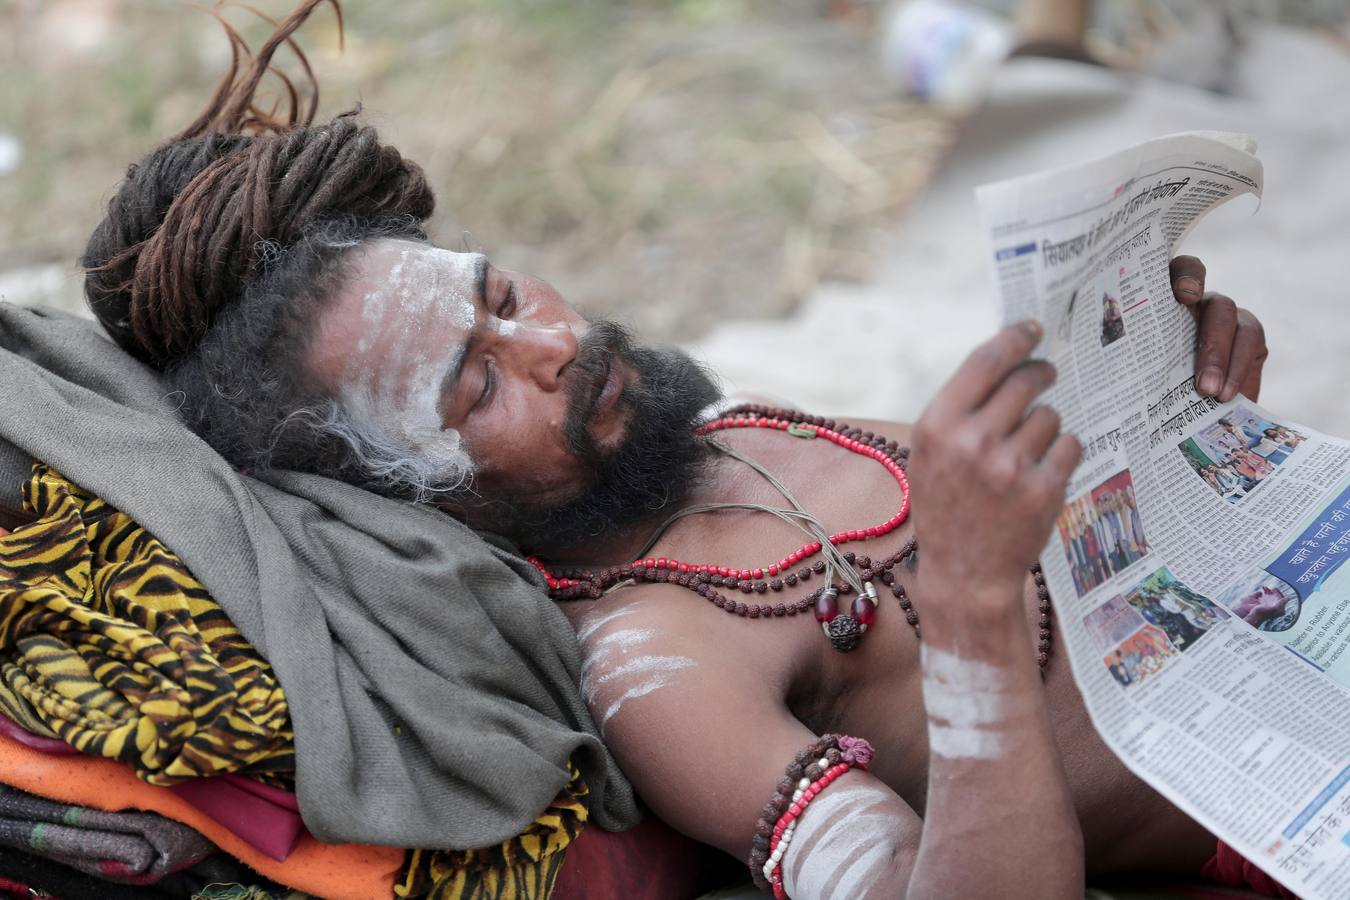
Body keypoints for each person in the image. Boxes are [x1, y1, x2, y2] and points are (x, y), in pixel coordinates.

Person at [74, 2, 1281, 896]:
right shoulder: (660, 660)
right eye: (477, 381)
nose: (548, 340)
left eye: (499, 293)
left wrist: (1174, 411)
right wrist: (964, 611)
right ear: (416, 492)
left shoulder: (724, 437)